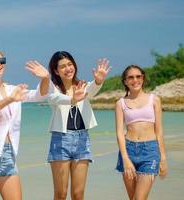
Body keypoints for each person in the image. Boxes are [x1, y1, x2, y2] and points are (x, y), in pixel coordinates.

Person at [0, 48, 49, 200]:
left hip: (8, 153)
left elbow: (40, 96)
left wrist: (45, 78)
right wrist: (10, 99)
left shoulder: (13, 89)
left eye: (2, 60)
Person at [46, 51, 111, 200]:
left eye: (70, 64)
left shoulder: (82, 86)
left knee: (78, 194)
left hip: (82, 139)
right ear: (56, 71)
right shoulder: (52, 88)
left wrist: (99, 81)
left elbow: (91, 91)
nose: (68, 68)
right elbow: (55, 99)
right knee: (61, 194)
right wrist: (73, 99)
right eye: (62, 66)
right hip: (61, 140)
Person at [115, 65, 168, 200]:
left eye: (138, 76)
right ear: (125, 81)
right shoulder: (120, 103)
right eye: (131, 77)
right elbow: (120, 133)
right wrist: (126, 159)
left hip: (150, 151)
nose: (135, 80)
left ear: (143, 78)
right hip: (128, 150)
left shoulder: (154, 100)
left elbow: (159, 131)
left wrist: (163, 158)